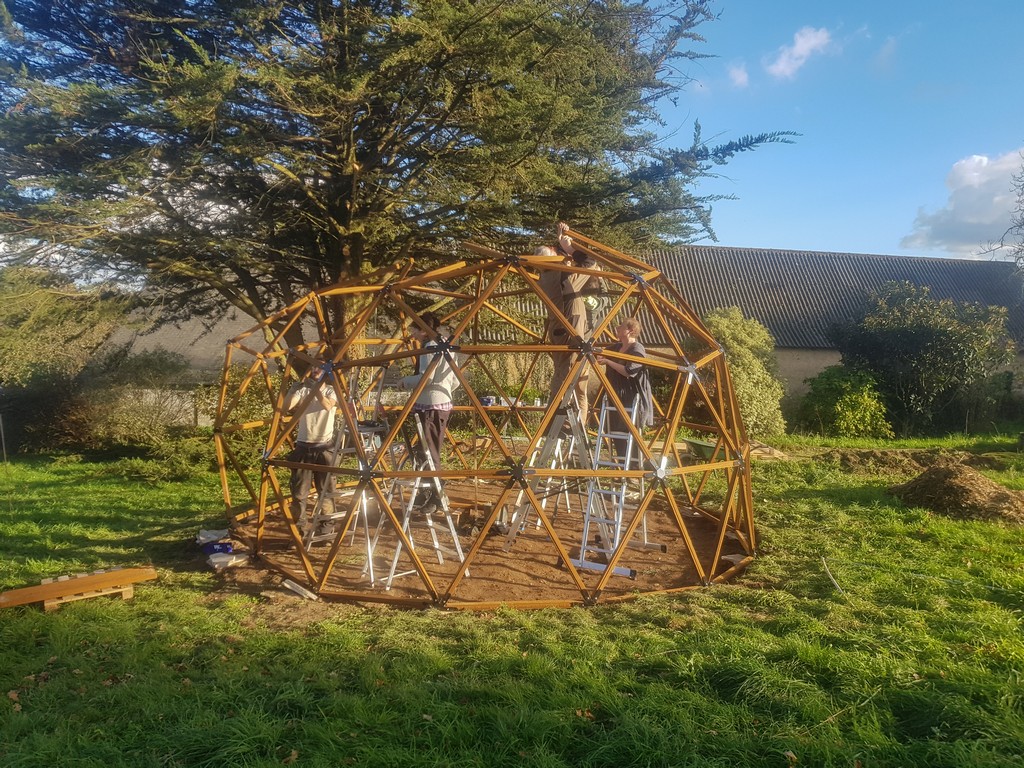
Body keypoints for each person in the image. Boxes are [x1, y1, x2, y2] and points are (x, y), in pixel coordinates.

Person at [400, 312, 460, 514]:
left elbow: (426, 377)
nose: (413, 335)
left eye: (414, 330)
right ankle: (425, 492)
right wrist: (446, 391)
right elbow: (455, 379)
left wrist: (405, 382)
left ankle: (436, 496)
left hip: (430, 405)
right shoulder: (446, 344)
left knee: (429, 450)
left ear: (423, 330)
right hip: (442, 403)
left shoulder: (430, 348)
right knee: (425, 449)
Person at [538, 223, 592, 426]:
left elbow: (557, 260)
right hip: (573, 336)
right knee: (568, 379)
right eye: (556, 253)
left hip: (562, 332)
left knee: (572, 381)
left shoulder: (544, 276)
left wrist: (560, 238)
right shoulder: (565, 278)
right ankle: (558, 422)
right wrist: (569, 248)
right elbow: (590, 262)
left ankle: (566, 423)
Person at [285, 364, 339, 531]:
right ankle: (299, 529)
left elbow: (328, 406)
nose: (316, 370)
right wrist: (292, 391)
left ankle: (326, 528)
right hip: (303, 446)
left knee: (326, 491)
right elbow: (285, 408)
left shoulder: (331, 391)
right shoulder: (303, 390)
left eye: (320, 368)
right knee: (299, 493)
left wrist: (314, 388)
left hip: (324, 447)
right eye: (314, 367)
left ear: (327, 372)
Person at [595, 318, 653, 459]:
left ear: (631, 331)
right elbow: (600, 352)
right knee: (615, 431)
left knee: (629, 432)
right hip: (614, 396)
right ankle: (623, 466)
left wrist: (608, 361)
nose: (617, 328)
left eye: (621, 327)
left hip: (631, 398)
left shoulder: (637, 349)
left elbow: (629, 371)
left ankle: (633, 468)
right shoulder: (616, 347)